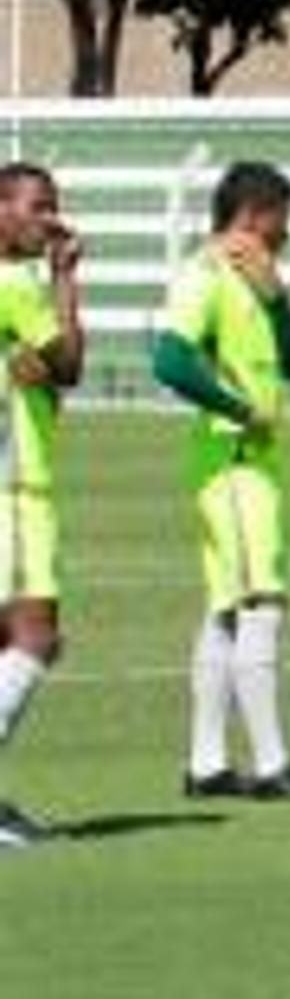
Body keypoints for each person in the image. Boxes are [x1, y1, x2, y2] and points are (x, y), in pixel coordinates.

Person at [151, 160, 290, 803]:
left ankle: (208, 763)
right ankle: (273, 766)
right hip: (234, 460)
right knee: (262, 604)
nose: (288, 231)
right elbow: (168, 359)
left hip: (249, 463)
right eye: (283, 218)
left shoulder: (253, 277)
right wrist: (240, 410)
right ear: (252, 214)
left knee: (225, 610)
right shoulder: (204, 273)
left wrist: (276, 298)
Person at [0, 165, 86, 848]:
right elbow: (71, 362)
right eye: (37, 207)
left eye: (54, 208)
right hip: (16, 487)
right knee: (37, 637)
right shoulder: (14, 283)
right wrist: (65, 276)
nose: (50, 220)